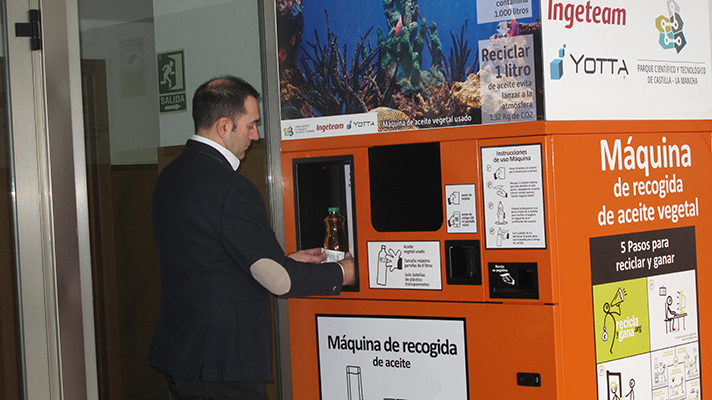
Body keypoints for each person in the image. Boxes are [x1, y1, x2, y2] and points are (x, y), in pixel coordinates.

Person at [149, 75, 356, 400]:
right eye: (250, 125)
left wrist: (283, 260)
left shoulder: (170, 176)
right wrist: (345, 272)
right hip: (222, 361)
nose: (256, 136)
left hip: (181, 352)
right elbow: (279, 281)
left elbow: (211, 260)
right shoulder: (231, 188)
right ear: (223, 126)